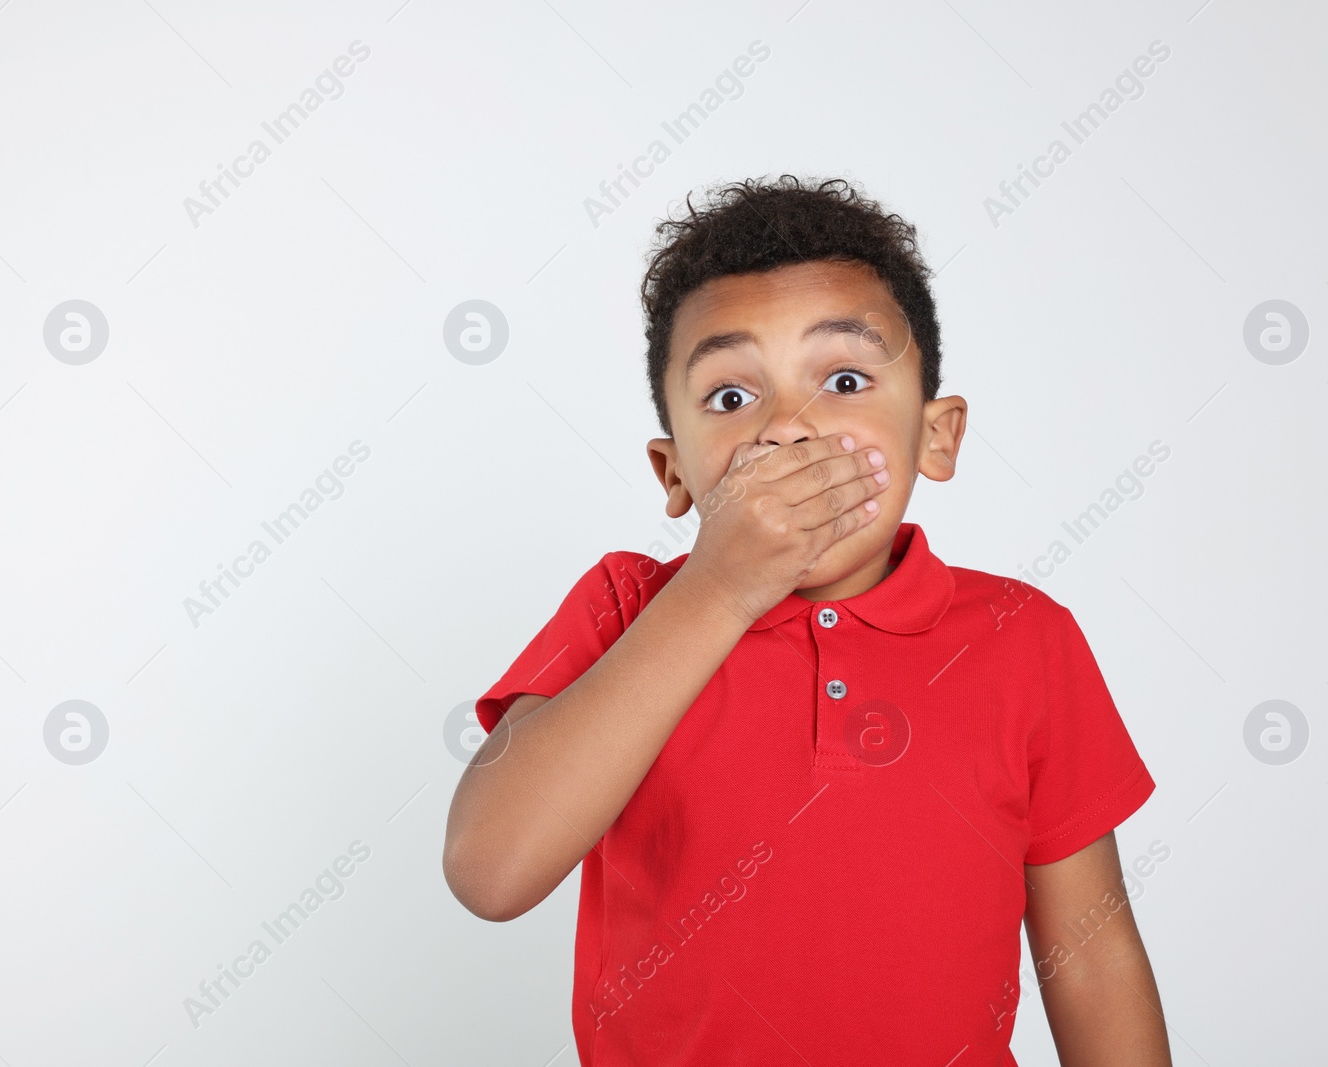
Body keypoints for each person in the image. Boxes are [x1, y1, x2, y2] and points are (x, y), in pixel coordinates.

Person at [444, 175, 1171, 1066]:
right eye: (730, 398)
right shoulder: (628, 608)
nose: (788, 427)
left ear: (935, 437)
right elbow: (491, 869)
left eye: (845, 379)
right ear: (674, 474)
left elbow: (1091, 953)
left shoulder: (1023, 636)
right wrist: (717, 589)